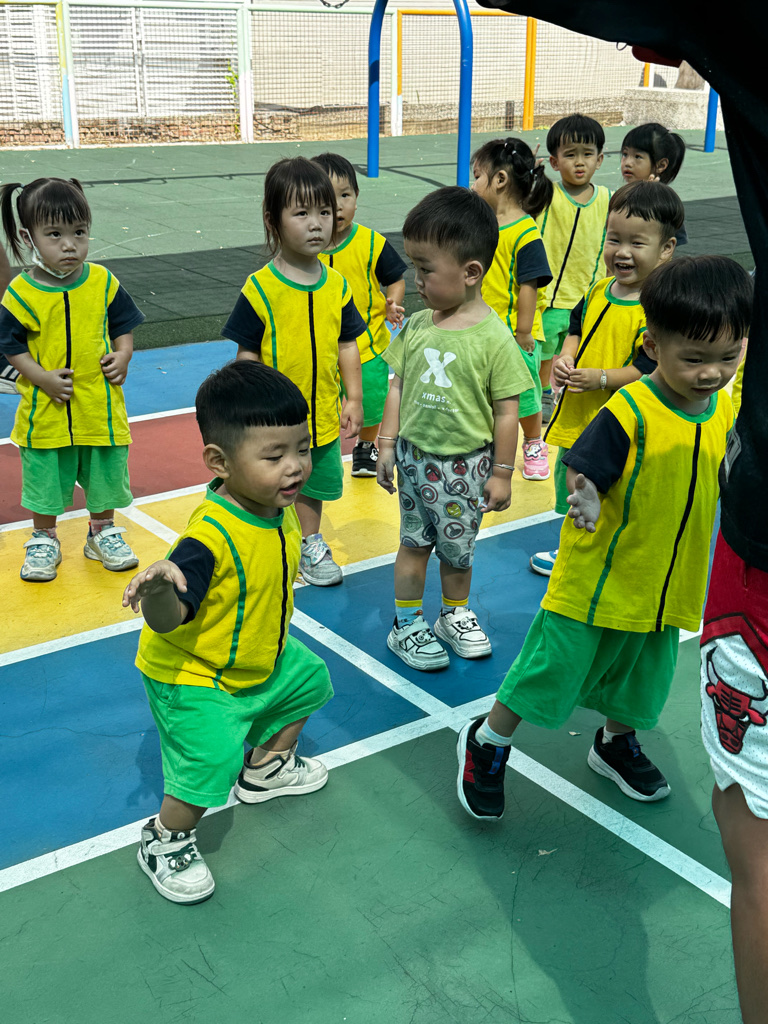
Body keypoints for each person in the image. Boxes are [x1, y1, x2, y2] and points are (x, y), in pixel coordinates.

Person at [457, 254, 749, 819]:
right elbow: (584, 464)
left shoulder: (721, 408)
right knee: (553, 667)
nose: (711, 373)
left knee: (641, 677)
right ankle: (488, 740)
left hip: (667, 581)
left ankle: (615, 742)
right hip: (600, 577)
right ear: (653, 345)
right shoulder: (632, 408)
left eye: (727, 356)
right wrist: (586, 494)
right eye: (694, 358)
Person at [123, 360, 334, 905]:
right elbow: (169, 618)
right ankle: (165, 839)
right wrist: (161, 589)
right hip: (194, 673)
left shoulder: (277, 509)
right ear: (219, 462)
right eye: (274, 456)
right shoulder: (208, 536)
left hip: (255, 657)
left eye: (302, 449)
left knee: (309, 679)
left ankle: (264, 768)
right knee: (209, 760)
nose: (295, 467)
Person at [376, 186, 534, 670]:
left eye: (426, 269)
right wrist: (385, 444)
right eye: (414, 266)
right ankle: (406, 624)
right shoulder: (417, 326)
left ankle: (453, 614)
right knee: (413, 543)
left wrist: (502, 473)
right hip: (414, 461)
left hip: (466, 468)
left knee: (457, 551)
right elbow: (399, 386)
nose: (416, 279)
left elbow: (507, 411)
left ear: (471, 273)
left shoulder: (495, 338)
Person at [222, 156, 366, 587]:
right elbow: (246, 355)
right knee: (268, 481)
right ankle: (265, 543)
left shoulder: (337, 286)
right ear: (273, 220)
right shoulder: (260, 288)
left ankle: (308, 542)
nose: (316, 224)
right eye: (301, 213)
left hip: (321, 414)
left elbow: (347, 344)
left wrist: (355, 397)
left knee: (313, 482)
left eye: (324, 211)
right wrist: (249, 407)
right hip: (273, 420)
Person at [529, 179, 682, 577]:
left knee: (611, 490)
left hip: (618, 424)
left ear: (666, 249)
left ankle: (598, 553)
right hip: (580, 417)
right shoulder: (599, 289)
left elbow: (646, 368)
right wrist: (566, 355)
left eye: (637, 243)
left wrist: (599, 378)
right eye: (614, 239)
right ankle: (573, 548)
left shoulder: (656, 308)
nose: (622, 252)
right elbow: (577, 327)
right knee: (573, 488)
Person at [0, 177, 144, 582]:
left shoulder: (103, 281)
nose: (70, 245)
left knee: (104, 473)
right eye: (55, 235)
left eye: (79, 232)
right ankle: (44, 537)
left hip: (99, 408)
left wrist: (124, 354)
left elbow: (123, 325)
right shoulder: (21, 293)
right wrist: (41, 378)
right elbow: (11, 347)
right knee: (45, 478)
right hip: (48, 411)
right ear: (28, 237)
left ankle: (101, 532)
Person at [311, 152, 407, 478]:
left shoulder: (371, 243)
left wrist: (392, 304)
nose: (338, 206)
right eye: (327, 198)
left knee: (371, 400)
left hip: (366, 344)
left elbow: (395, 279)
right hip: (320, 346)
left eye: (345, 195)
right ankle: (315, 447)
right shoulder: (306, 247)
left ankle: (366, 446)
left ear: (357, 197)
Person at [471, 137, 554, 481]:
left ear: (501, 180)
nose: (473, 184)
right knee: (488, 395)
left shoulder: (525, 232)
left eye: (478, 176)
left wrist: (523, 332)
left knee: (525, 396)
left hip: (515, 335)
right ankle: (492, 447)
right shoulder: (484, 224)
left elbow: (529, 285)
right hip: (484, 331)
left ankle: (533, 443)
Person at [536, 114, 611, 424]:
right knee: (543, 351)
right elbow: (520, 198)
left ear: (599, 159)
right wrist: (528, 175)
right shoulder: (546, 195)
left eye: (587, 154)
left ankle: (571, 395)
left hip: (586, 298)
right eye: (570, 155)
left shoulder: (609, 199)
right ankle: (543, 392)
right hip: (548, 297)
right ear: (554, 162)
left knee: (580, 352)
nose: (580, 162)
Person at [620, 122, 688, 246]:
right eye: (625, 154)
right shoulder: (622, 196)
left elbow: (676, 243)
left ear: (661, 165)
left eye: (637, 157)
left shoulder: (664, 203)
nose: (627, 163)